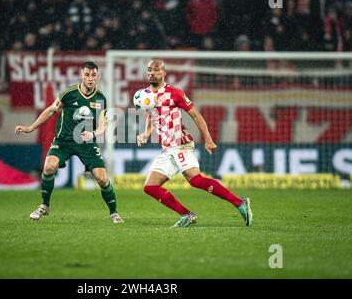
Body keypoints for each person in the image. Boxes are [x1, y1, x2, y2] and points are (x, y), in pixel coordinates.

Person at [136, 59, 253, 228]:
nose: (152, 73)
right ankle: (187, 215)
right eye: (149, 70)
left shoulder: (174, 93)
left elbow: (196, 116)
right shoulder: (146, 95)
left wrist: (208, 139)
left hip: (180, 144)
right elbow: (150, 113)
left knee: (195, 180)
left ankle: (240, 203)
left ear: (164, 73)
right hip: (167, 149)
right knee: (150, 187)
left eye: (156, 70)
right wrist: (146, 133)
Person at [15, 61, 124, 224]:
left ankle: (114, 213)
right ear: (81, 75)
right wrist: (31, 128)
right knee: (49, 167)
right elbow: (51, 110)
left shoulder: (101, 98)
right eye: (87, 74)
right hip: (63, 140)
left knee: (102, 179)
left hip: (87, 143)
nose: (90, 78)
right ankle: (44, 205)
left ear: (98, 76)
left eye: (93, 75)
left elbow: (103, 125)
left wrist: (93, 133)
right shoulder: (69, 93)